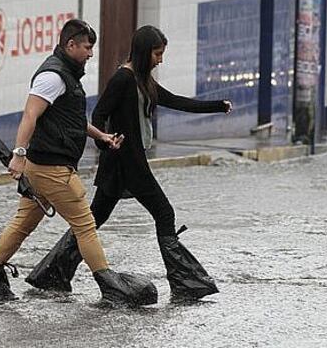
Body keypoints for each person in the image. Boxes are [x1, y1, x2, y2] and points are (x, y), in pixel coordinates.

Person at [26, 25, 232, 302]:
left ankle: (50, 274)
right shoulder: (123, 78)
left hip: (127, 161)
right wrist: (104, 141)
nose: (160, 60)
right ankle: (187, 283)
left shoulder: (142, 80)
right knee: (164, 213)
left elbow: (176, 101)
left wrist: (218, 106)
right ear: (144, 51)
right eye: (157, 54)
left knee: (94, 218)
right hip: (126, 161)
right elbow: (99, 113)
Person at [0, 19, 157, 306]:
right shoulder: (52, 76)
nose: (91, 53)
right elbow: (30, 115)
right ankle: (110, 286)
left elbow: (71, 118)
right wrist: (18, 154)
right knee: (85, 224)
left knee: (23, 224)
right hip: (52, 169)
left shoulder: (66, 76)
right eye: (87, 47)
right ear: (70, 45)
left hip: (42, 168)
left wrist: (101, 136)